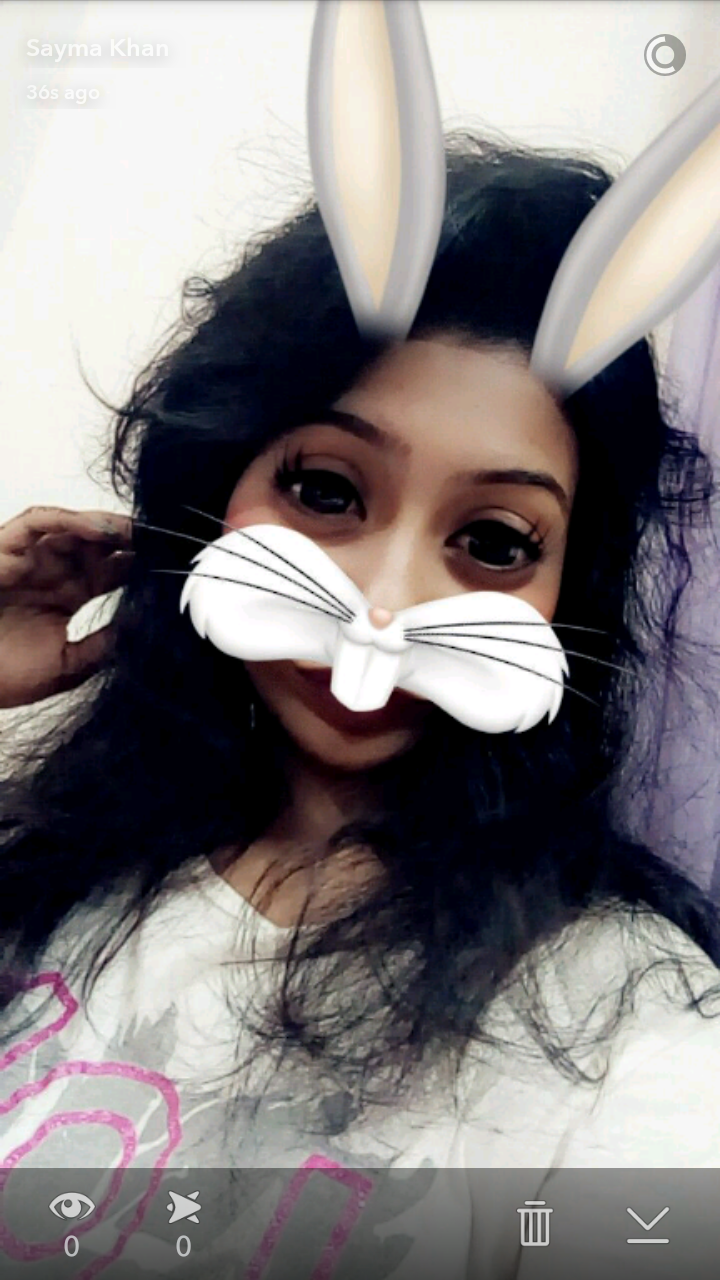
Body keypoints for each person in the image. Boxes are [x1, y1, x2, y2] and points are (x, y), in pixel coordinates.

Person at [2, 133, 720, 1277]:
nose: (387, 604)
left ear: (565, 597)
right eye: (326, 489)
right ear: (214, 487)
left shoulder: (630, 1023)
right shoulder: (57, 864)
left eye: (494, 542)